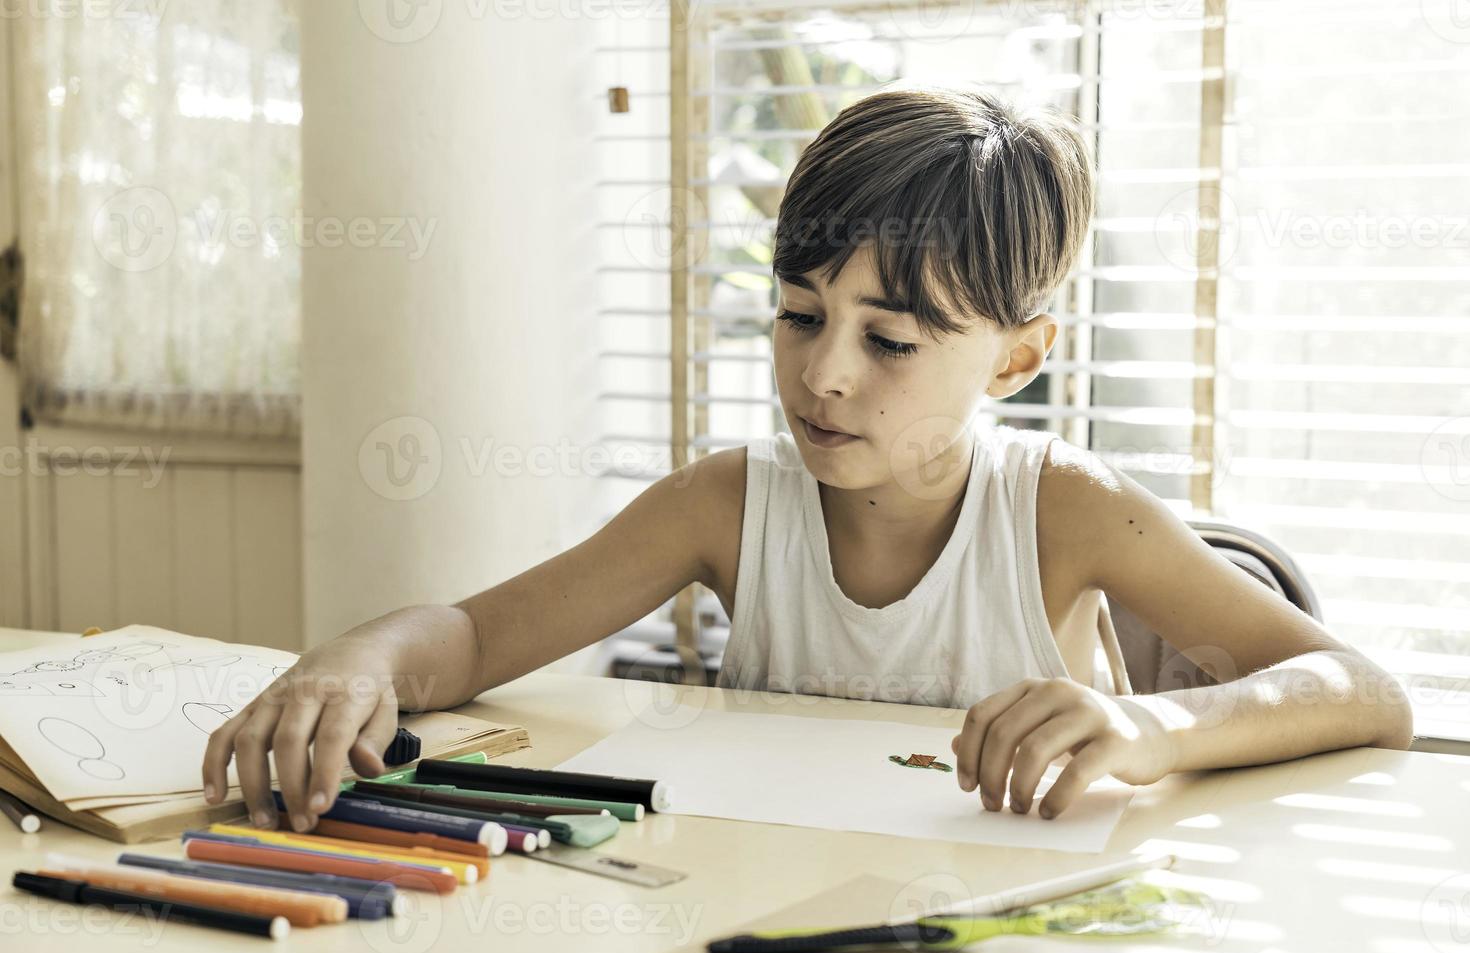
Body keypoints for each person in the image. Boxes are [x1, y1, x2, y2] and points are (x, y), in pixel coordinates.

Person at [202, 85, 1412, 835]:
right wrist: (357, 657)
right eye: (797, 313)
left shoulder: (1065, 512)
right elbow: (468, 639)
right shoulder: (727, 504)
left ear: (1015, 359)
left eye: (889, 338)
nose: (823, 373)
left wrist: (1147, 724)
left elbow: (1365, 692)